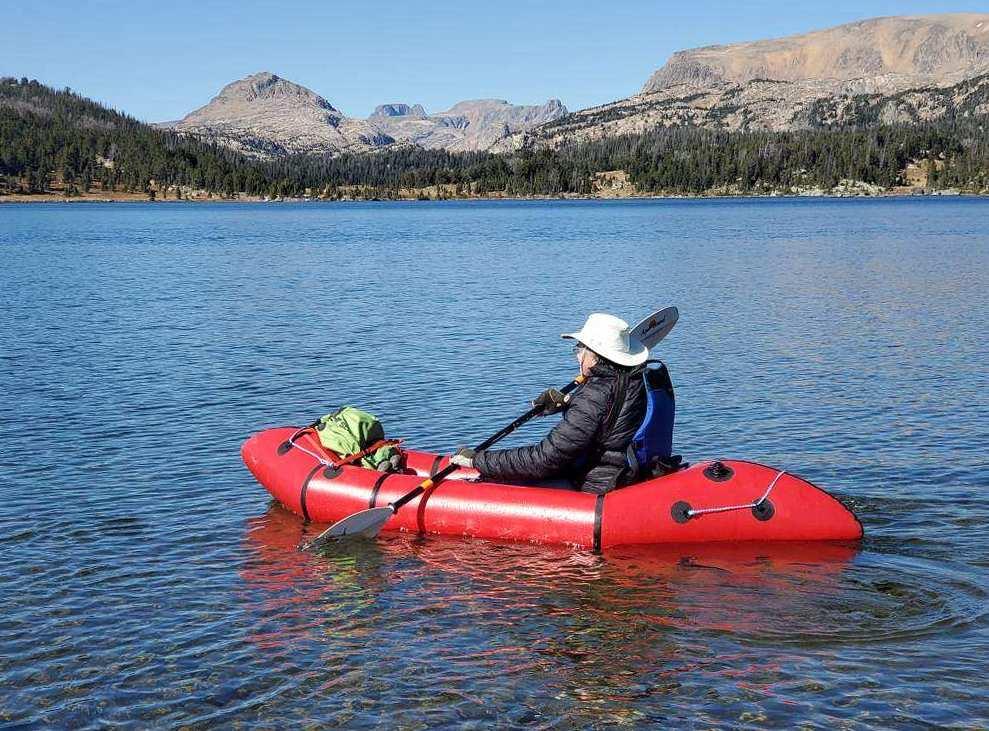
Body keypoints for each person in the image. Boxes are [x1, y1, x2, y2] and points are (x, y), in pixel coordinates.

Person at [450, 313, 647, 494]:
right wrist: (569, 402)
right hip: (620, 474)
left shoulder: (594, 396)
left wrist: (478, 460)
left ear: (594, 356)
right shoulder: (634, 382)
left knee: (492, 483)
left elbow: (545, 459)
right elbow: (610, 418)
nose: (578, 356)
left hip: (595, 486)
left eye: (580, 349)